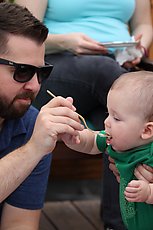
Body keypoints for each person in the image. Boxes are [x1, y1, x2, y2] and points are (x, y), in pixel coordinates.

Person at [15, 0, 153, 229]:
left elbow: (144, 25)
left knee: (113, 113)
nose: (111, 123)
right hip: (57, 65)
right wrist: (67, 42)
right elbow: (19, 34)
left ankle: (120, 222)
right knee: (118, 91)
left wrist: (138, 46)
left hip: (118, 69)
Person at [0, 2, 84, 229]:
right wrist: (33, 149)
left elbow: (19, 224)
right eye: (23, 71)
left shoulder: (31, 125)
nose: (35, 85)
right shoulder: (35, 141)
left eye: (42, 72)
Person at [59, 71, 153, 230]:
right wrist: (75, 139)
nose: (106, 122)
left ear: (146, 131)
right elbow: (92, 142)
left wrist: (149, 192)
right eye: (108, 114)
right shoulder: (116, 139)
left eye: (116, 118)